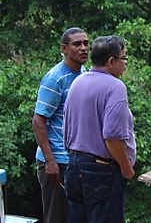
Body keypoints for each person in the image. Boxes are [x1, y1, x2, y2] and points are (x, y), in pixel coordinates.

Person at [63, 35, 136, 223]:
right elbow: (112, 136)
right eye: (124, 58)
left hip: (74, 166)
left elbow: (67, 127)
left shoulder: (78, 82)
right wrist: (126, 168)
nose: (125, 64)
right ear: (111, 61)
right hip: (101, 171)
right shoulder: (115, 87)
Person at [32, 27, 89, 223]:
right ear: (64, 49)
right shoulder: (55, 78)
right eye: (77, 44)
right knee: (57, 217)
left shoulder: (84, 74)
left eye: (86, 43)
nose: (83, 48)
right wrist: (50, 160)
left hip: (76, 160)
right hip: (57, 162)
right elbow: (38, 120)